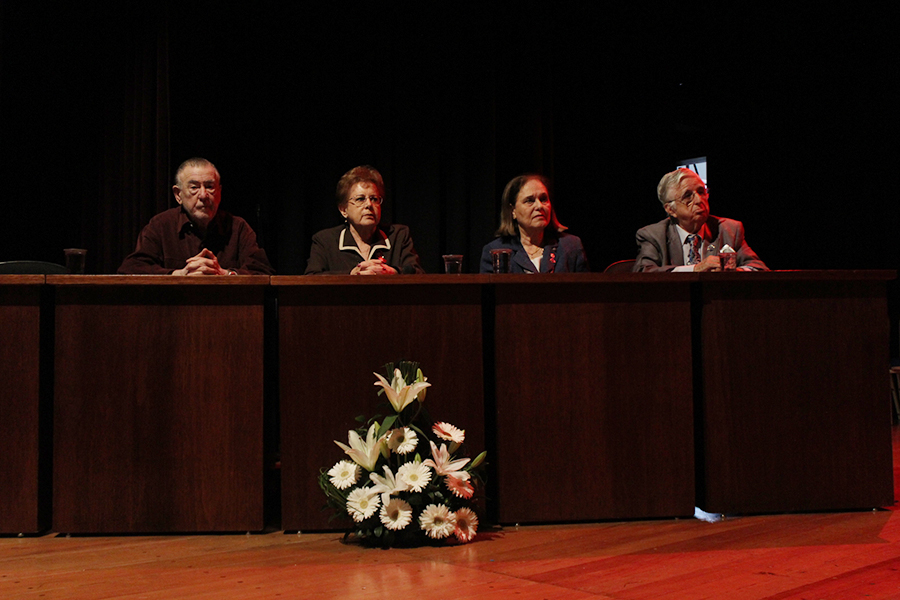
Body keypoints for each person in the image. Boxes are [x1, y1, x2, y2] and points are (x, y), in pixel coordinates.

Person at [118, 157, 274, 275]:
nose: (203, 195)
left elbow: (263, 271)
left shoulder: (238, 228)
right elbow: (131, 269)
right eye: (194, 187)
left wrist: (224, 274)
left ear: (219, 192)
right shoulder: (160, 225)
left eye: (210, 187)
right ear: (178, 195)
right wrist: (178, 274)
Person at [633, 168, 768, 272]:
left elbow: (759, 268)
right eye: (688, 196)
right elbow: (643, 271)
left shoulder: (729, 229)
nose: (699, 200)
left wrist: (734, 271)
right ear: (670, 209)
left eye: (701, 192)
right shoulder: (653, 235)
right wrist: (694, 269)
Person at [305, 165, 424, 275]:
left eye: (374, 199)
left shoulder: (398, 236)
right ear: (343, 210)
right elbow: (312, 278)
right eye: (360, 199)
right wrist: (351, 275)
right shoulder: (325, 241)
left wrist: (393, 273)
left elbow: (418, 273)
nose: (369, 204)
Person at [480, 174, 589, 273]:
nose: (539, 206)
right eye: (530, 200)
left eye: (543, 199)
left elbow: (585, 291)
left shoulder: (570, 246)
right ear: (513, 210)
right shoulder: (495, 251)